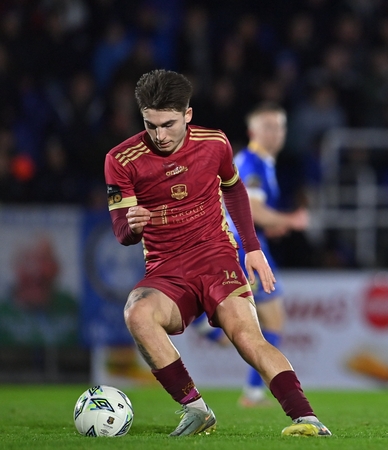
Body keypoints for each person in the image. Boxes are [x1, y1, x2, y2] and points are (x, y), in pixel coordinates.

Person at [104, 69, 330, 437]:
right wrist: (132, 224)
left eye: (168, 124)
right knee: (137, 313)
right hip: (166, 267)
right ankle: (195, 409)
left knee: (248, 336)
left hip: (216, 257)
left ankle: (307, 419)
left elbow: (235, 191)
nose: (160, 135)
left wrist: (253, 249)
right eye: (151, 125)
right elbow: (121, 232)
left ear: (188, 115)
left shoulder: (215, 143)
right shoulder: (121, 159)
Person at [192, 102, 308, 408]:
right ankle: (204, 320)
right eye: (267, 126)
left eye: (279, 126)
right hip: (243, 247)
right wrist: (289, 220)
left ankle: (208, 323)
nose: (275, 132)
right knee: (271, 322)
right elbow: (253, 209)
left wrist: (271, 226)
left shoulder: (262, 163)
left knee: (267, 322)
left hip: (248, 241)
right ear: (252, 130)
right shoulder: (253, 162)